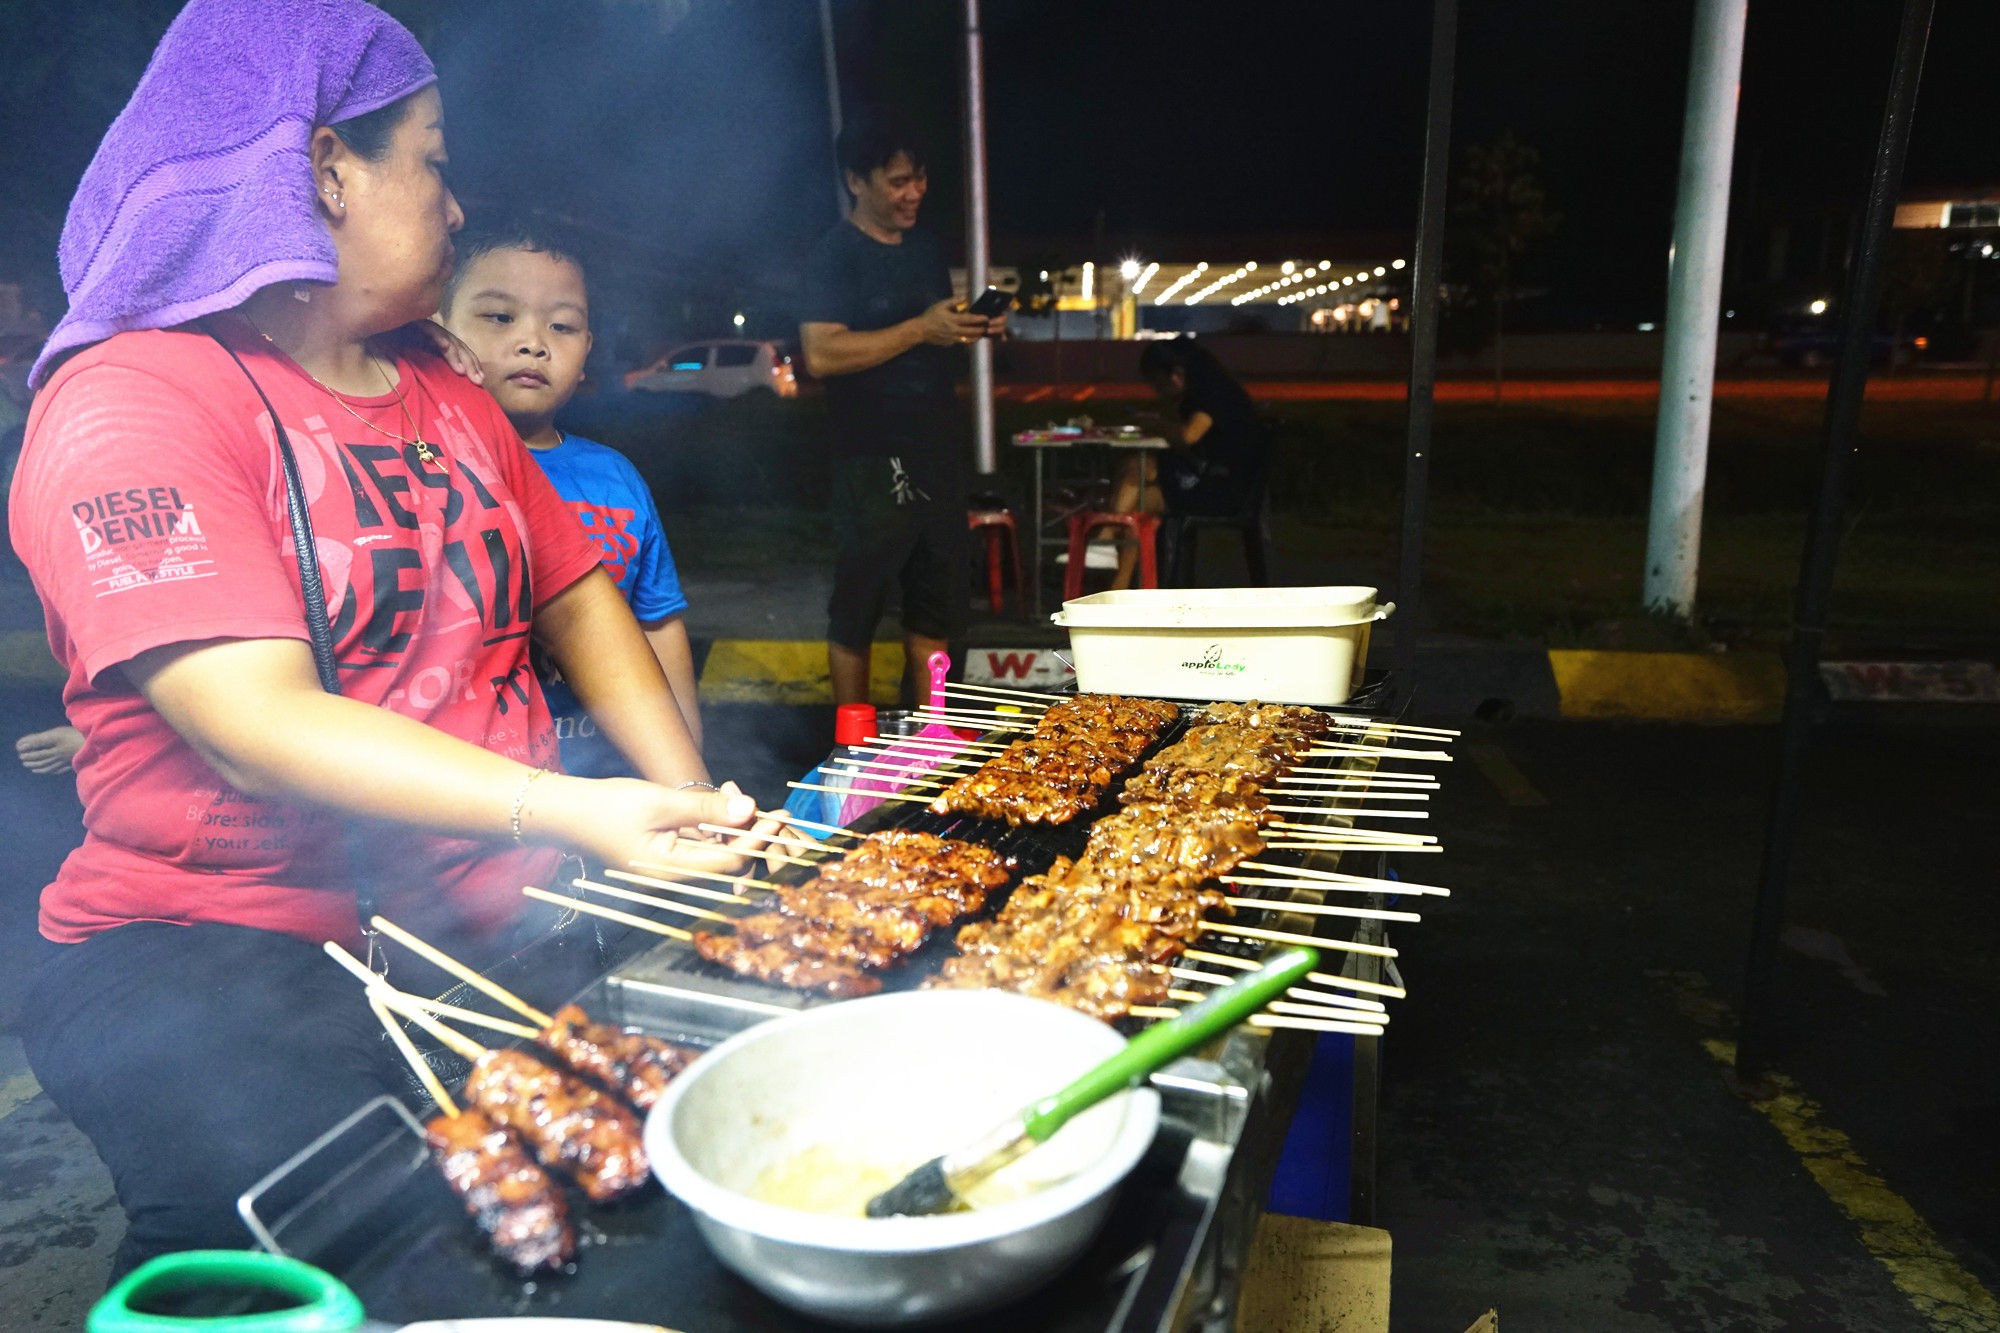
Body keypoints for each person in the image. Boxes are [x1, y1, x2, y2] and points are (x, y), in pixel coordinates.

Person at [7, 0, 774, 1277]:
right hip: (216, 955)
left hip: (472, 926)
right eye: (430, 156)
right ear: (320, 170)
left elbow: (576, 590)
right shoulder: (131, 399)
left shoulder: (443, 388)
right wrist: (574, 811)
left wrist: (685, 808)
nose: (455, 202)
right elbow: (252, 724)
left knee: (599, 1233)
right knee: (320, 1252)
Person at [439, 220, 703, 773]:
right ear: (439, 326)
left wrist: (688, 774)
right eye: (500, 316)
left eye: (561, 326)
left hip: (611, 780)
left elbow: (657, 626)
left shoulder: (616, 478)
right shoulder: (425, 463)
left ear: (586, 351)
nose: (534, 342)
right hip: (481, 786)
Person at [799, 109, 1003, 706]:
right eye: (898, 181)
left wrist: (965, 326)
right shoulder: (834, 255)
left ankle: (933, 736)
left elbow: (930, 332)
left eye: (919, 178)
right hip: (871, 457)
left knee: (935, 606)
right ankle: (850, 747)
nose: (914, 192)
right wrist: (920, 328)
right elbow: (821, 354)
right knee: (857, 606)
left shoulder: (924, 250)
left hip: (936, 449)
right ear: (855, 181)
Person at [1105, 336, 1269, 589]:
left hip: (1221, 488)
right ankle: (1119, 579)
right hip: (1211, 479)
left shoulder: (1212, 393)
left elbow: (1189, 435)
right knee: (1137, 494)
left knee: (1136, 470)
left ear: (1176, 375)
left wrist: (1155, 424)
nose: (1158, 392)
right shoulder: (1208, 389)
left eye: (1158, 384)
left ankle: (1106, 540)